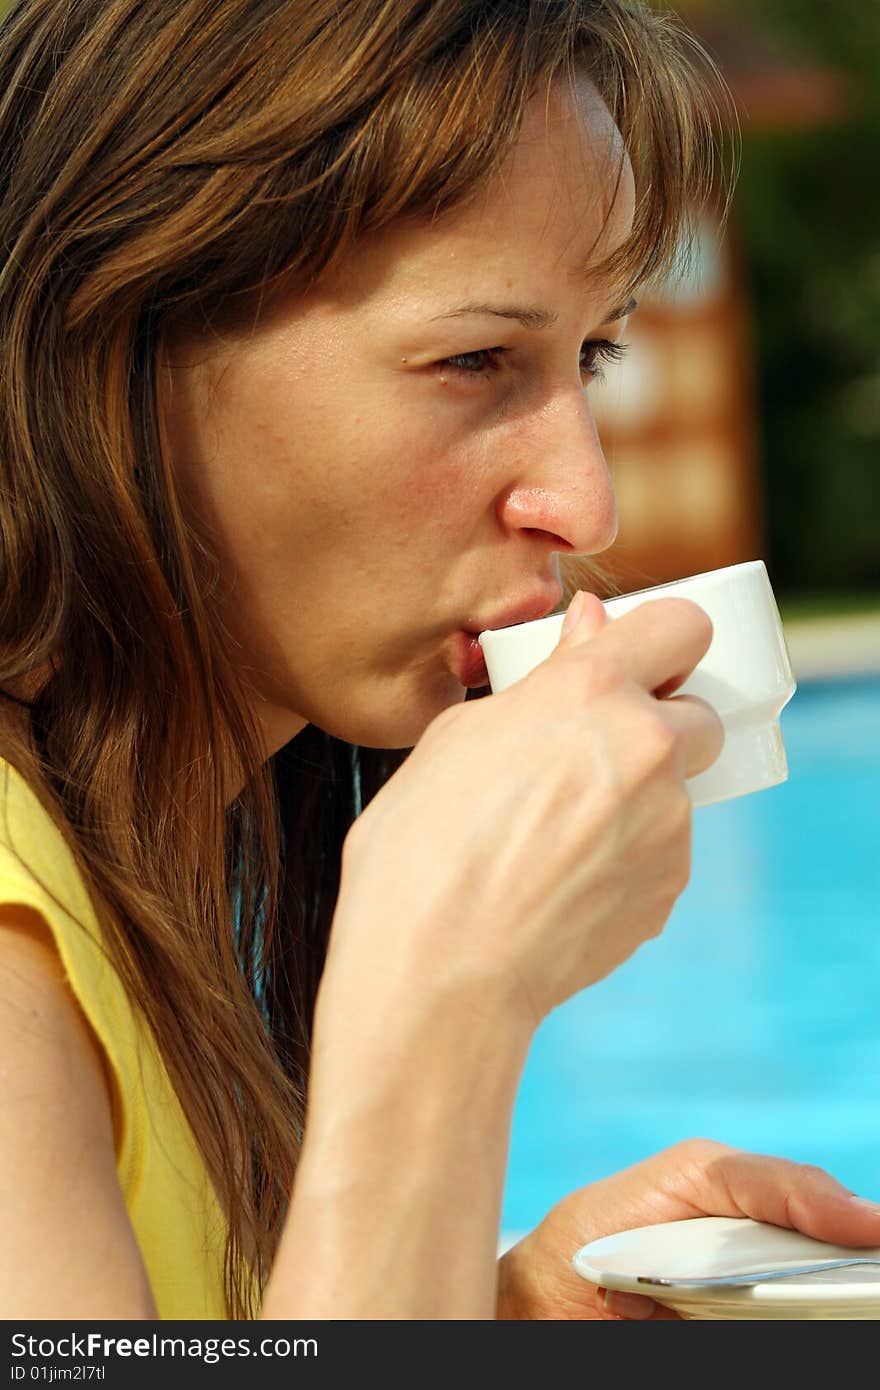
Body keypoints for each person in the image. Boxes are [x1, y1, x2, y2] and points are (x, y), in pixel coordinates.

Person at [1, 0, 877, 1323]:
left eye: (589, 357)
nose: (587, 507)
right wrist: (441, 1011)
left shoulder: (128, 895)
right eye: (475, 359)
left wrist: (511, 1306)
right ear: (120, 342)